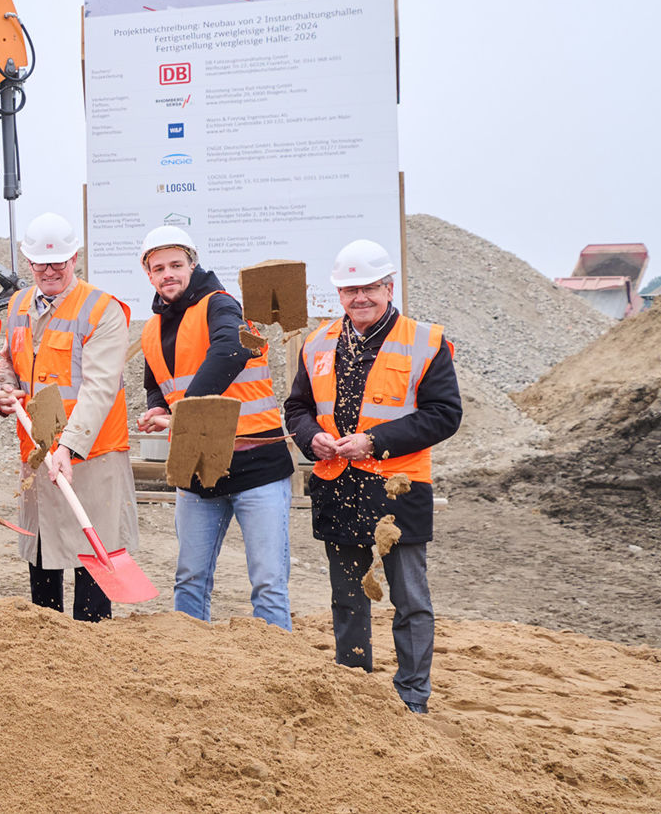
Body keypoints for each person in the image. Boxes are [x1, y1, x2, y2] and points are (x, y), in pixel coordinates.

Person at [286, 240, 461, 714]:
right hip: (337, 482)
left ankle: (412, 698)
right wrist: (311, 438)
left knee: (410, 600)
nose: (359, 297)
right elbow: (297, 408)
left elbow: (445, 415)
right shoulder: (318, 343)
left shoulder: (426, 341)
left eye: (368, 288)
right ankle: (354, 689)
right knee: (347, 597)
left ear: (389, 286)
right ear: (338, 294)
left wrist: (374, 440)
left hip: (396, 486)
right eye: (349, 290)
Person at [134, 224, 294, 630]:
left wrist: (184, 413)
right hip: (197, 466)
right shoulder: (153, 328)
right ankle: (192, 667)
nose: (167, 273)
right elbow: (157, 382)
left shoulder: (220, 304)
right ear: (148, 274)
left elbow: (233, 348)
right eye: (158, 268)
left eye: (176, 264)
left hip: (257, 463)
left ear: (193, 264)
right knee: (189, 579)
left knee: (269, 584)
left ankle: (281, 676)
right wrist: (157, 409)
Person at [0, 213, 138, 622]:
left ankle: (92, 655)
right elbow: (6, 358)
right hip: (39, 455)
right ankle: (47, 656)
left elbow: (99, 388)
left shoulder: (102, 310)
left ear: (75, 257)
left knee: (92, 563)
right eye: (40, 262)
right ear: (28, 261)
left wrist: (70, 447)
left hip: (92, 457)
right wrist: (5, 387)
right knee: (43, 560)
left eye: (59, 262)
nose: (50, 271)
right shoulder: (20, 304)